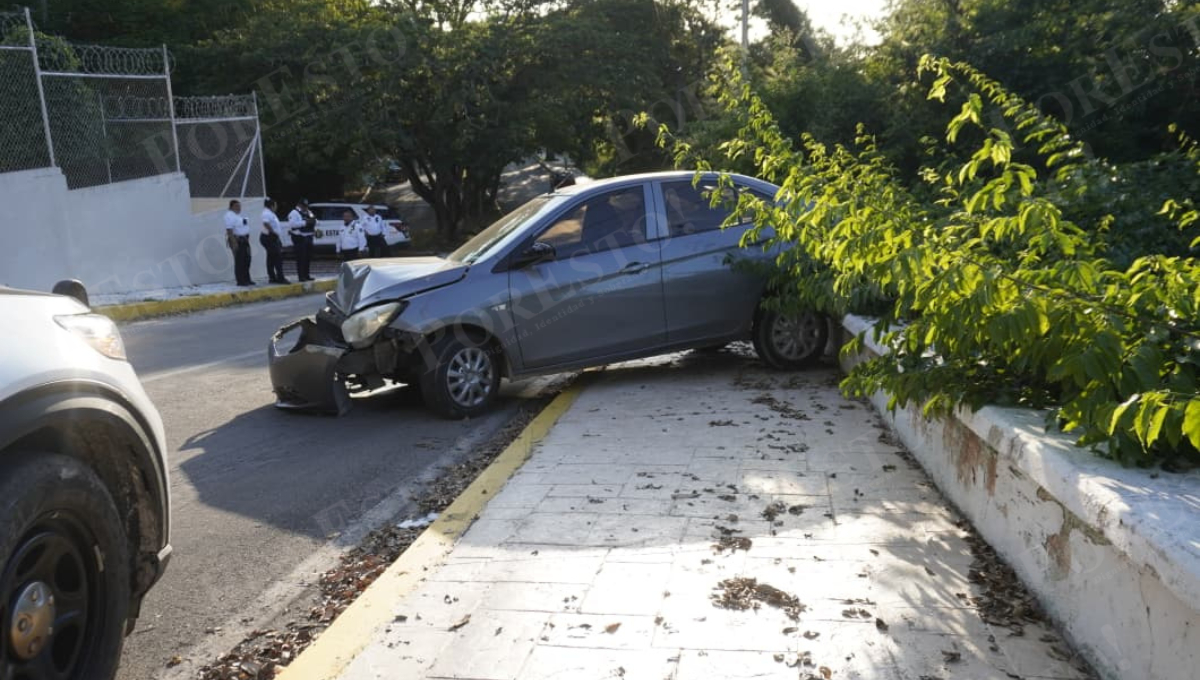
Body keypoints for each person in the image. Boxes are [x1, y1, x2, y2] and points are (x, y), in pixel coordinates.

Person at [224, 199, 253, 286]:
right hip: (237, 240)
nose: (239, 208)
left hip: (244, 240)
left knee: (247, 260)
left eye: (239, 206)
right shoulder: (229, 216)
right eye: (237, 206)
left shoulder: (238, 216)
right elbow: (229, 230)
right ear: (231, 207)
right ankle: (240, 281)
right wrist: (234, 243)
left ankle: (247, 279)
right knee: (239, 261)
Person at [287, 199, 317, 281]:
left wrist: (312, 222)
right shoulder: (294, 213)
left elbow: (314, 220)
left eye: (306, 206)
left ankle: (307, 275)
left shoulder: (308, 212)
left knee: (308, 257)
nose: (305, 207)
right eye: (304, 206)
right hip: (299, 237)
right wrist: (305, 222)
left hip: (309, 236)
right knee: (301, 258)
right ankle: (301, 276)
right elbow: (292, 224)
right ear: (299, 205)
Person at [261, 198, 289, 284]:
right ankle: (280, 278)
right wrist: (273, 232)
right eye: (275, 205)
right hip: (269, 237)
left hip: (271, 237)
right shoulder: (266, 213)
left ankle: (272, 277)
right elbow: (265, 223)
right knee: (278, 258)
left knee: (271, 258)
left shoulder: (270, 213)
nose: (276, 207)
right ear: (271, 205)